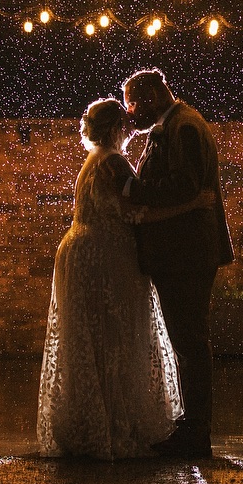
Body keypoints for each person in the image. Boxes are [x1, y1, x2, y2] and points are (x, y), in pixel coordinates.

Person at [36, 97, 214, 459]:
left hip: (82, 252)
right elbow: (137, 214)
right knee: (116, 338)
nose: (134, 128)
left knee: (91, 339)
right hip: (105, 258)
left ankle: (89, 419)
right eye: (128, 123)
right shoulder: (113, 162)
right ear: (118, 128)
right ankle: (115, 423)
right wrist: (192, 204)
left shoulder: (93, 160)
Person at [121, 69, 233, 459]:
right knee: (188, 341)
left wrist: (133, 190)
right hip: (184, 252)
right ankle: (192, 427)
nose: (130, 113)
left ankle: (196, 432)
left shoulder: (183, 127)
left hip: (186, 253)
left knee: (190, 342)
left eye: (132, 103)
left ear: (152, 95)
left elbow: (184, 186)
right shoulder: (179, 123)